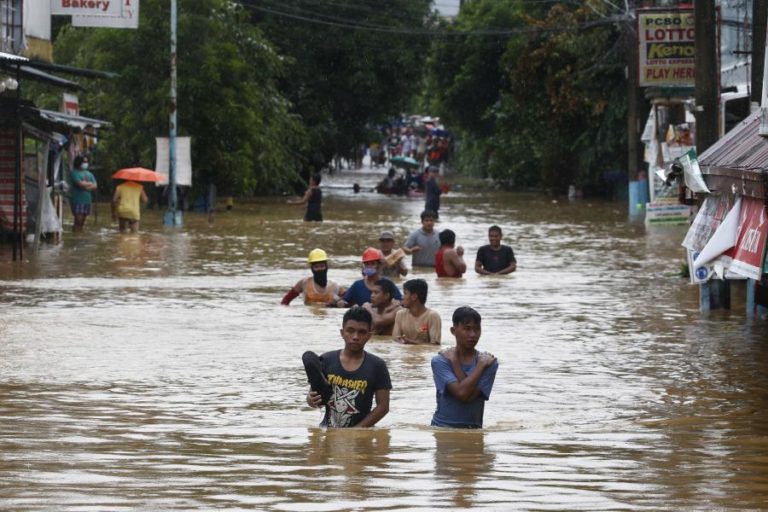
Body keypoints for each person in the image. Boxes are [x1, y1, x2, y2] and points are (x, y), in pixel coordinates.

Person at [303, 306, 392, 428]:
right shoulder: (326, 360)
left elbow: (383, 406)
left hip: (361, 434)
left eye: (362, 332)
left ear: (369, 335)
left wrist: (357, 430)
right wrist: (311, 399)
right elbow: (313, 396)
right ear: (342, 333)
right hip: (327, 431)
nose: (355, 336)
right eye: (350, 330)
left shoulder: (377, 366)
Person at [431, 306, 498, 428]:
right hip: (442, 428)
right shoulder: (440, 361)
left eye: (477, 329)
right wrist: (480, 367)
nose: (473, 334)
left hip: (474, 429)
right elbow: (462, 394)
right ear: (453, 330)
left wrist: (456, 362)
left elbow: (467, 396)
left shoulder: (490, 363)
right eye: (467, 329)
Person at [335, 248, 403, 307]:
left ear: (379, 266)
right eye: (367, 264)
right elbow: (344, 300)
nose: (369, 266)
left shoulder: (388, 284)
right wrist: (341, 303)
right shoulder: (357, 285)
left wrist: (397, 303)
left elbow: (401, 301)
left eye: (373, 264)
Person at [281, 249, 345, 306]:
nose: (319, 269)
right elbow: (285, 301)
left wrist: (339, 303)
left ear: (326, 267)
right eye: (316, 267)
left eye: (322, 266)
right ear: (311, 268)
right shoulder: (304, 283)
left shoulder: (335, 286)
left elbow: (349, 302)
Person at [393, 278, 441, 345]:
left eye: (405, 293)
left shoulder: (432, 316)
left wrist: (411, 343)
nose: (402, 297)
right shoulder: (400, 314)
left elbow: (435, 345)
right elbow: (395, 340)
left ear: (414, 297)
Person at [68, 155, 97, 232]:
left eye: (86, 162)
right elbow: (80, 184)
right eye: (84, 162)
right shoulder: (74, 173)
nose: (86, 163)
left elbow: (95, 186)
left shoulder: (89, 174)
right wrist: (89, 184)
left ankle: (78, 236)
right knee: (78, 221)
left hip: (87, 200)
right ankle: (76, 236)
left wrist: (85, 186)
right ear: (78, 162)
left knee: (82, 222)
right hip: (77, 200)